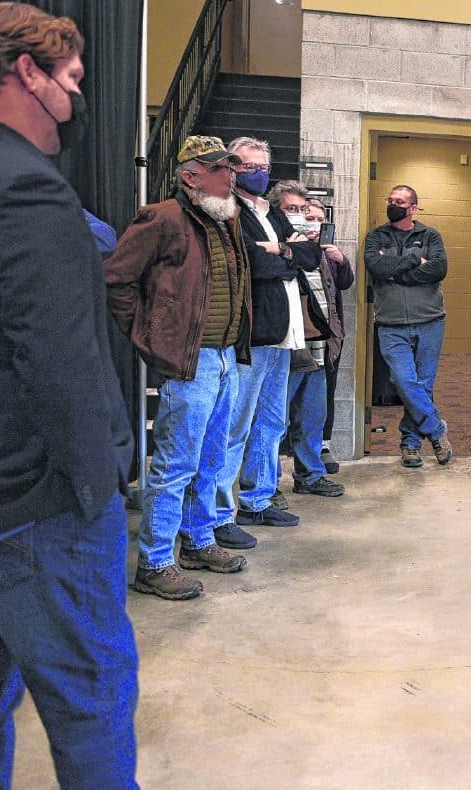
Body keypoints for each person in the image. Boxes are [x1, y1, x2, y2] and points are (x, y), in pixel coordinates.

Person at [0, 1, 138, 787]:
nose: (76, 100)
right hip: (40, 508)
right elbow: (62, 367)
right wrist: (98, 481)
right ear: (28, 74)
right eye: (70, 79)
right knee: (93, 696)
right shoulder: (29, 194)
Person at [104, 135, 252, 600]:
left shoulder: (227, 218)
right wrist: (150, 337)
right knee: (176, 465)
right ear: (191, 176)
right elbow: (116, 279)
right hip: (191, 363)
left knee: (213, 458)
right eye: (219, 168)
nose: (230, 176)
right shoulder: (162, 218)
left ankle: (199, 539)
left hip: (226, 357)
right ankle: (155, 561)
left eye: (230, 168)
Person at [211, 137, 322, 535]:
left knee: (271, 423)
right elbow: (250, 264)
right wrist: (281, 254)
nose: (256, 172)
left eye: (262, 165)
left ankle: (258, 500)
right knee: (236, 425)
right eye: (247, 165)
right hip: (255, 335)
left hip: (284, 336)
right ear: (233, 168)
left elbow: (310, 255)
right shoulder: (230, 211)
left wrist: (281, 251)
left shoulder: (272, 212)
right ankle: (221, 513)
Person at [272, 183, 354, 495]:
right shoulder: (278, 245)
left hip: (320, 343)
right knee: (274, 421)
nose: (304, 219)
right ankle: (266, 487)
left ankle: (308, 476)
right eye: (294, 211)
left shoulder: (318, 251)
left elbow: (336, 290)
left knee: (312, 416)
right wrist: (291, 246)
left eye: (305, 212)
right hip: (288, 345)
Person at [363, 184, 454, 467]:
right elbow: (376, 268)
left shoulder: (430, 235)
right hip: (391, 324)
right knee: (404, 381)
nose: (393, 205)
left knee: (423, 385)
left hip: (430, 321)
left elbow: (439, 269)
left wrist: (398, 271)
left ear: (413, 207)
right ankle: (436, 428)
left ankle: (410, 443)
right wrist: (415, 260)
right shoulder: (376, 236)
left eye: (400, 201)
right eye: (390, 200)